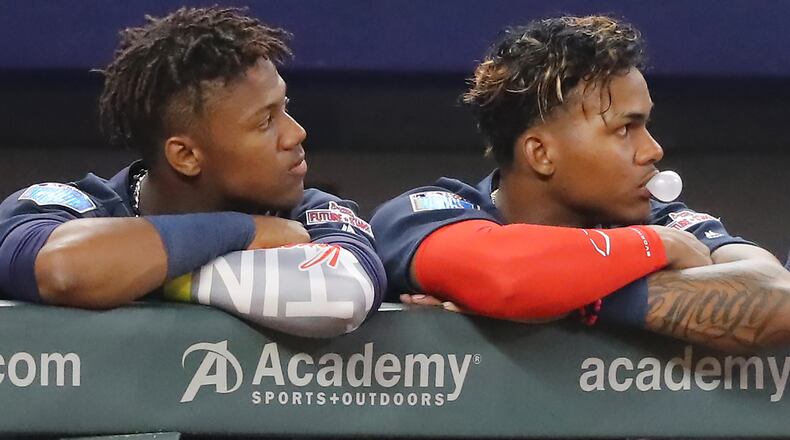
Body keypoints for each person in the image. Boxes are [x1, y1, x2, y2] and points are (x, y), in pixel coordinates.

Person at [370, 15, 790, 352]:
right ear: (541, 153)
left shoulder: (663, 219)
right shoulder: (425, 213)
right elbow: (503, 274)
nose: (653, 150)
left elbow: (777, 296)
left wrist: (561, 299)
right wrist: (655, 248)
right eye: (626, 129)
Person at [0, 6, 385, 338]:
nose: (296, 133)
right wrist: (245, 231)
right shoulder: (65, 208)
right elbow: (67, 270)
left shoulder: (311, 214)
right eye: (266, 121)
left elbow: (341, 299)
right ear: (185, 155)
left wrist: (132, 275)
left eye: (285, 107)